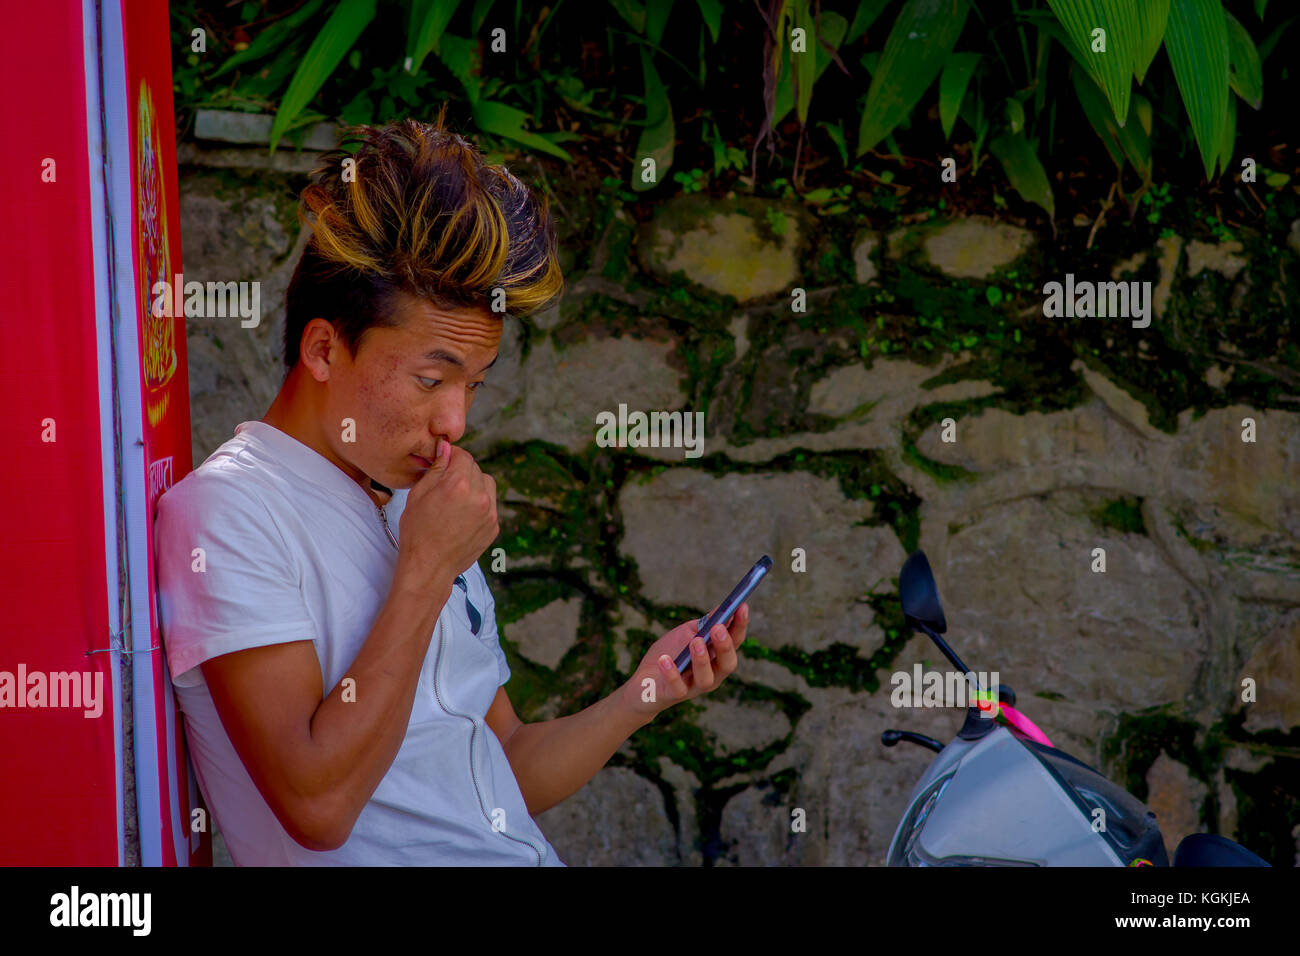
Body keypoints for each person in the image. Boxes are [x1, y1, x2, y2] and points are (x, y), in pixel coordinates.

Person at [153, 112, 748, 866]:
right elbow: (317, 806)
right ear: (324, 348)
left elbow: (499, 767)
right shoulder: (231, 512)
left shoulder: (414, 505)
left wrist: (647, 693)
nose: (456, 421)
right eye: (431, 380)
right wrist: (427, 570)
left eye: (474, 384)